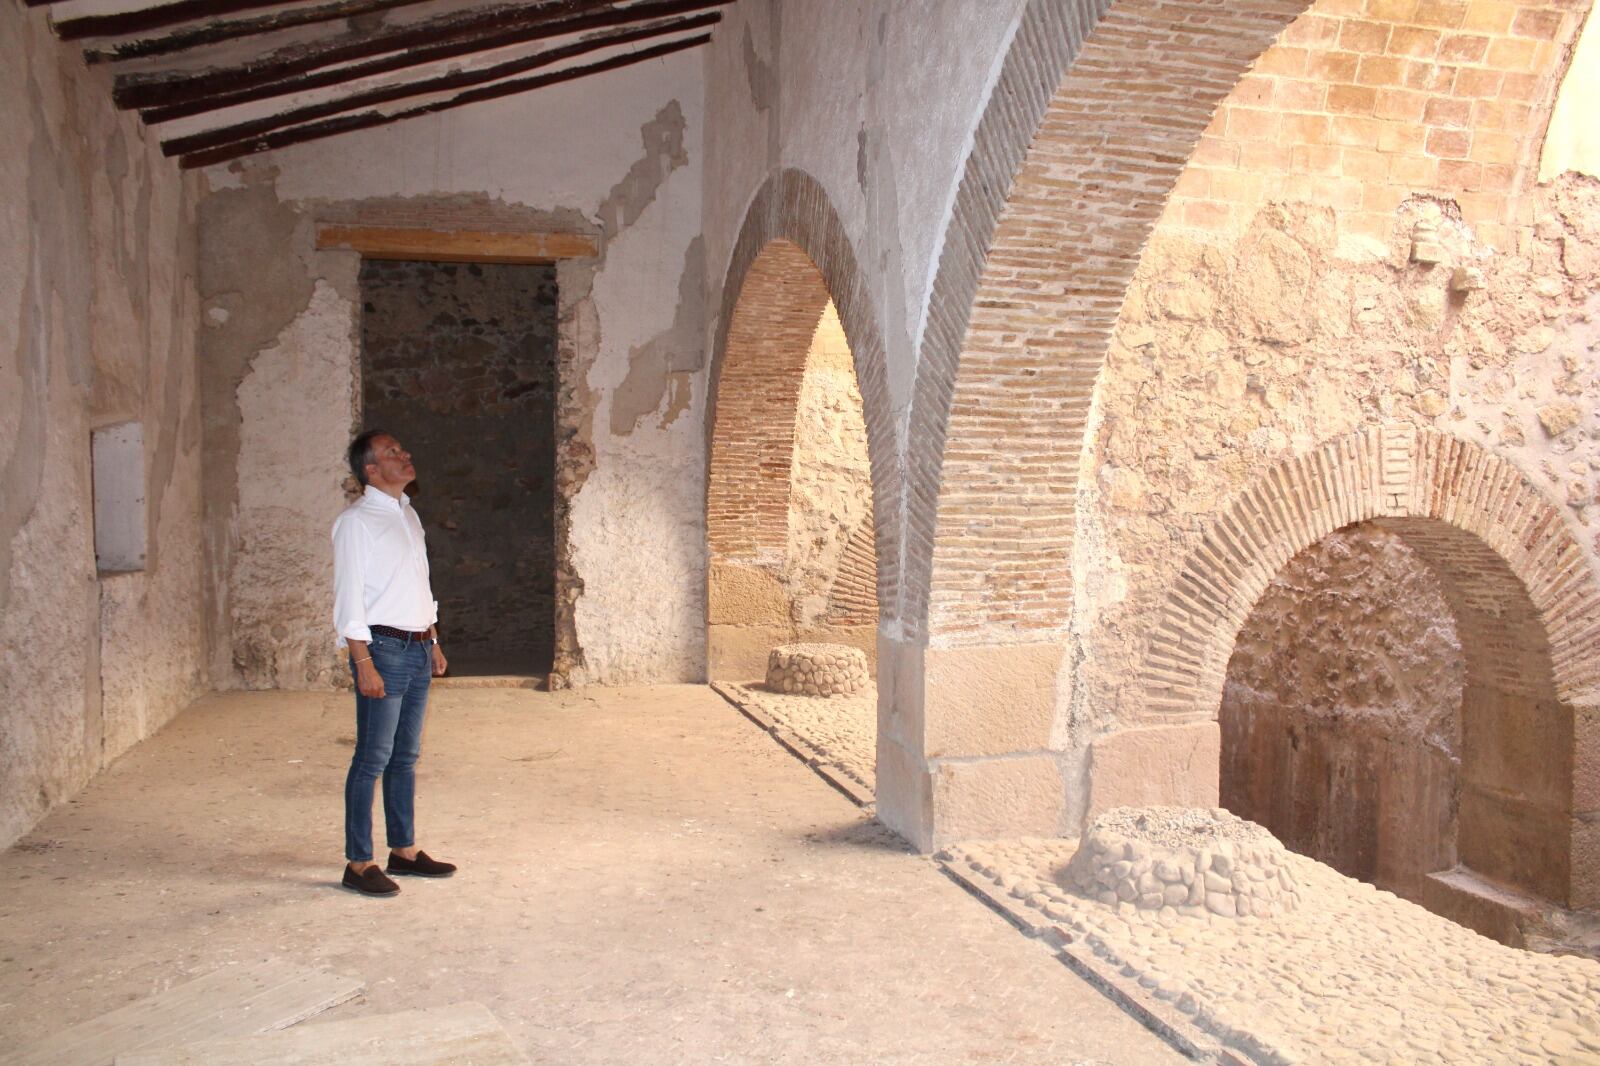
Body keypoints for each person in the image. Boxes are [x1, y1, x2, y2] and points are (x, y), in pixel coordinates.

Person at [332, 429, 456, 896]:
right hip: (382, 649)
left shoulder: (407, 513)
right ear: (370, 470)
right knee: (372, 758)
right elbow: (348, 599)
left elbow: (417, 583)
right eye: (392, 453)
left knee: (405, 757)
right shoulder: (356, 522)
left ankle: (402, 851)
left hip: (419, 647)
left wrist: (434, 638)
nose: (405, 456)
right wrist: (362, 661)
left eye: (403, 449)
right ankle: (358, 862)